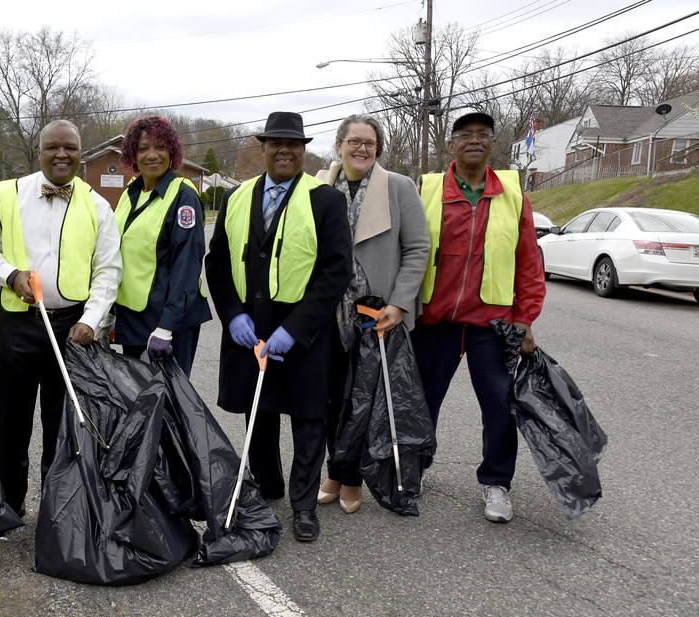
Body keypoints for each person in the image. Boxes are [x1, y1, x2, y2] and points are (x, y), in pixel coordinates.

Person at [205, 111, 351, 542]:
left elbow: (335, 271)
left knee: (309, 417)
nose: (284, 150)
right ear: (264, 148)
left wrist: (297, 328)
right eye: (276, 143)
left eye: (293, 144)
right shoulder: (237, 197)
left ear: (303, 150)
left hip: (303, 328)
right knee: (259, 411)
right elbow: (216, 263)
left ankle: (304, 505)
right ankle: (267, 486)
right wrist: (232, 315)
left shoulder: (325, 199)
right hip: (250, 323)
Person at [0, 120, 122, 515]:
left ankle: (56, 506)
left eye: (70, 148)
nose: (61, 155)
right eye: (53, 147)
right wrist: (11, 275)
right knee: (14, 419)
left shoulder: (97, 205)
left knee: (62, 423)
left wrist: (91, 319)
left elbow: (108, 269)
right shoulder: (7, 195)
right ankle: (10, 505)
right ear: (39, 152)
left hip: (72, 328)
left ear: (80, 153)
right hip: (18, 323)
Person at [413, 111, 545, 523]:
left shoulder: (513, 193)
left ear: (492, 145)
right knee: (419, 402)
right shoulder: (427, 189)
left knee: (500, 406)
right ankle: (413, 468)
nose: (474, 140)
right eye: (465, 135)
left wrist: (525, 319)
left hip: (493, 325)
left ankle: (496, 483)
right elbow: (408, 251)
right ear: (450, 145)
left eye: (483, 135)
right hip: (436, 322)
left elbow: (528, 263)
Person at [315, 114, 430, 514]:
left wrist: (399, 303)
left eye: (370, 143)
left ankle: (351, 479)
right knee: (332, 401)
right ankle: (335, 470)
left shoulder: (398, 187)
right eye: (354, 141)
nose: (362, 149)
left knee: (365, 402)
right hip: (328, 316)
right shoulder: (319, 186)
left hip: (376, 317)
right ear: (338, 144)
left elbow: (418, 248)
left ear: (377, 148)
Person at [113, 116, 211, 375]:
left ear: (173, 152)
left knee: (169, 406)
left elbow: (187, 265)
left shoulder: (183, 194)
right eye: (143, 148)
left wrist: (167, 326)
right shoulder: (130, 193)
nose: (152, 155)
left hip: (169, 321)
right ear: (132, 153)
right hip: (134, 317)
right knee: (138, 402)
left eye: (160, 147)